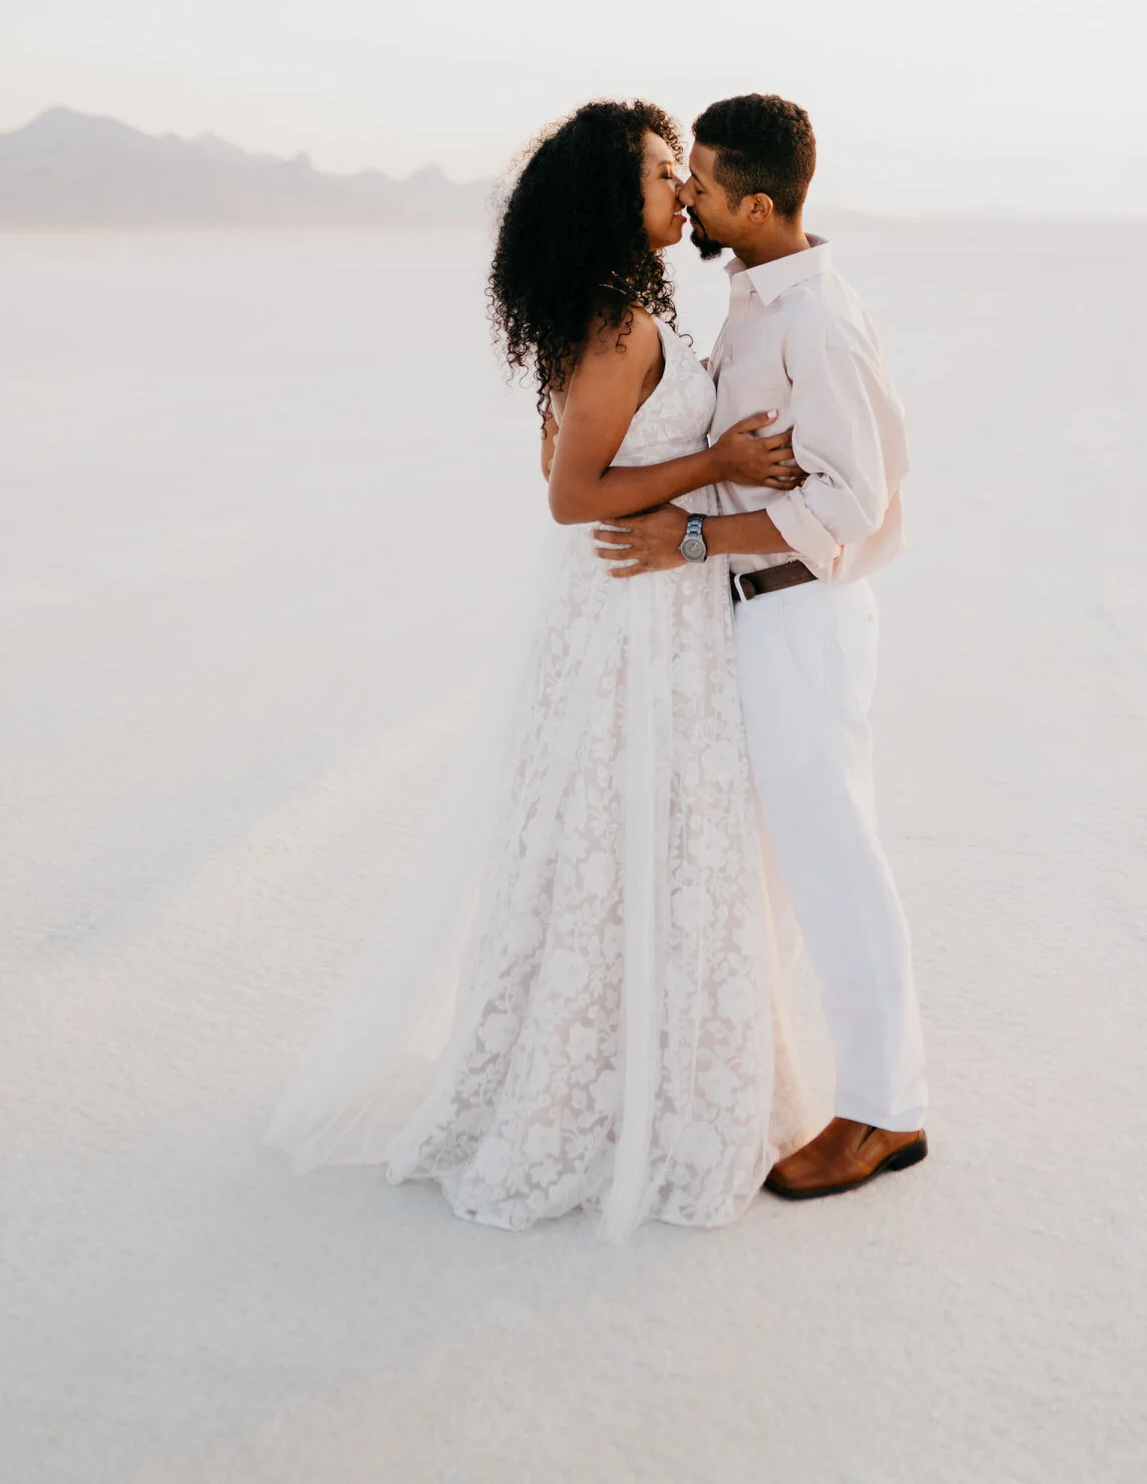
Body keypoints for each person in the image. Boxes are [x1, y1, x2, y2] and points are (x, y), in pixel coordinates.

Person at [265, 100, 817, 1234]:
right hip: (629, 614)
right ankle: (598, 1096)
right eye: (664, 173)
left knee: (644, 834)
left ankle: (649, 1074)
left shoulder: (627, 311)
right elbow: (573, 497)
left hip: (652, 604)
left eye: (682, 172)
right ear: (615, 203)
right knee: (623, 831)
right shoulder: (618, 325)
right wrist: (715, 457)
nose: (681, 190)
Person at [594, 93, 928, 1201]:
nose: (685, 193)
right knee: (791, 866)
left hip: (802, 613)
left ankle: (884, 1113)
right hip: (759, 612)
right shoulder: (751, 298)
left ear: (757, 201)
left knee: (836, 861)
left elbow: (848, 505)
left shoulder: (813, 319)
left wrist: (687, 533)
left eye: (700, 181)